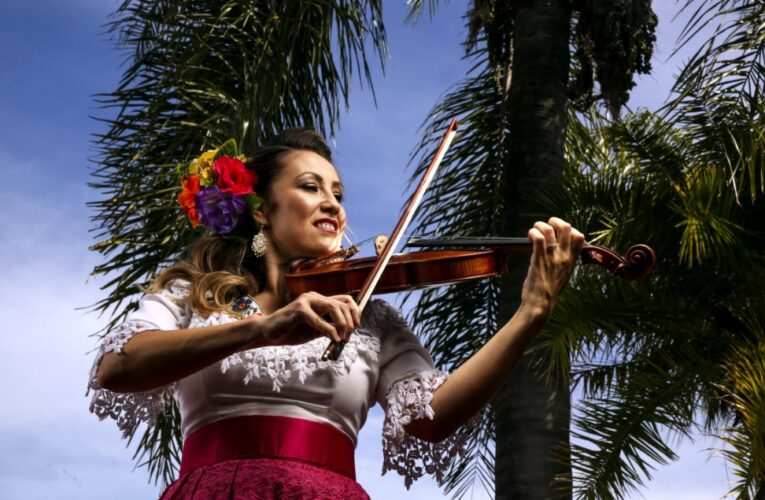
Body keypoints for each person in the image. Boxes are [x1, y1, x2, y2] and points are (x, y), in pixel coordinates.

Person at [87, 128, 585, 499]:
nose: (332, 204)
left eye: (339, 194)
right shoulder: (192, 293)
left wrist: (531, 313)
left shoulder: (371, 316)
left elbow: (431, 419)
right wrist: (263, 329)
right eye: (310, 187)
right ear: (262, 210)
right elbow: (119, 365)